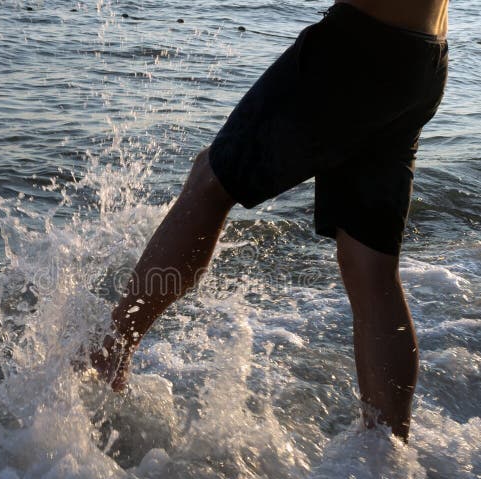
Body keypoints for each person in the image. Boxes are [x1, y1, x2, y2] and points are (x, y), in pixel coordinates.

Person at [90, 0, 449, 442]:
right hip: (422, 58)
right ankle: (387, 457)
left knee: (209, 182)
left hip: (358, 49)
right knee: (370, 268)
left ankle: (110, 351)